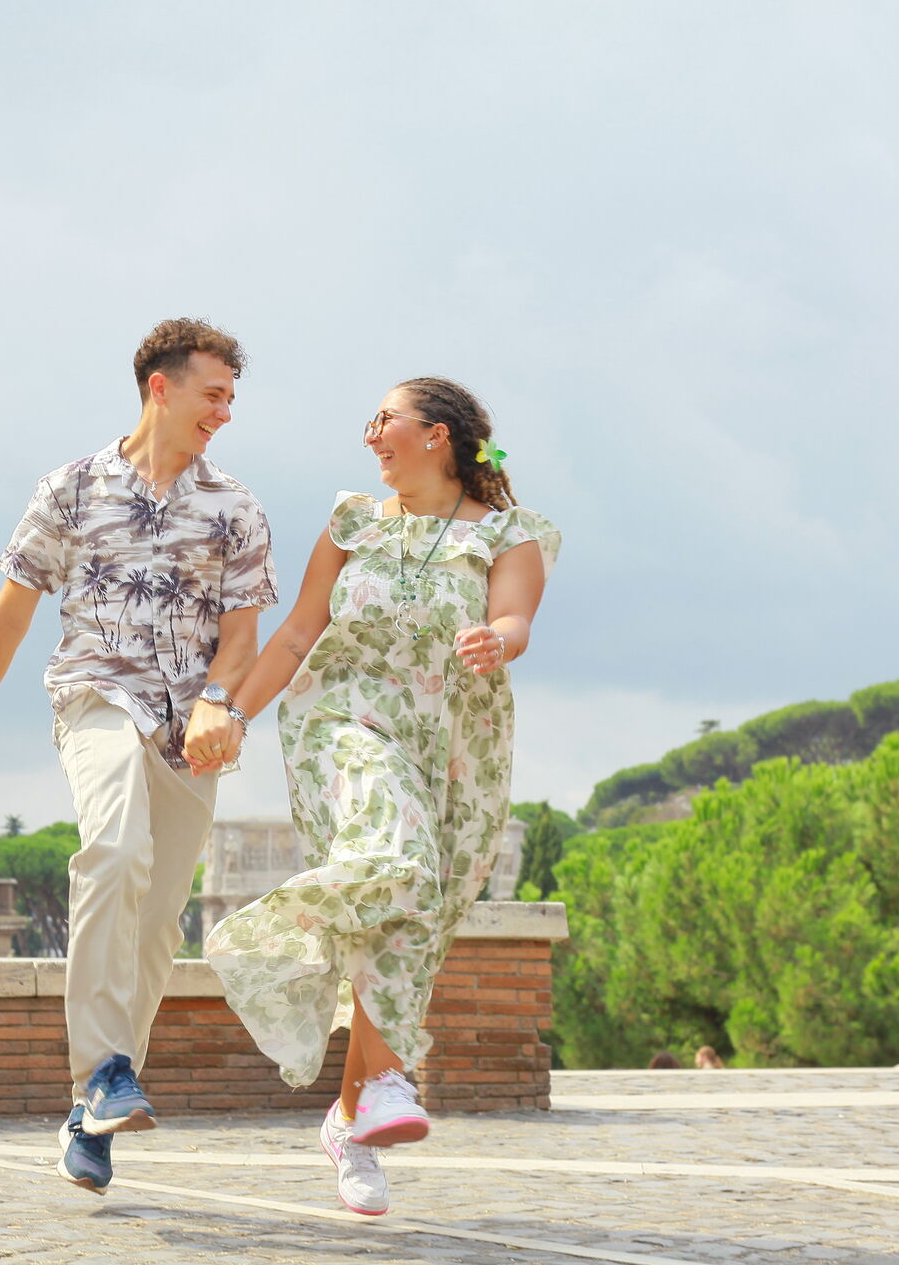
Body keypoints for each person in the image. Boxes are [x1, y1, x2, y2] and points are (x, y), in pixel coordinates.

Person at [0, 319, 276, 1194]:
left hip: (191, 730)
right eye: (214, 394)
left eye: (233, 398)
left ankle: (97, 1104)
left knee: (159, 924)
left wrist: (218, 703)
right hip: (95, 698)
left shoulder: (235, 507)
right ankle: (100, 1072)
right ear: (162, 386)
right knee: (114, 849)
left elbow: (242, 639)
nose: (225, 412)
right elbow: (8, 615)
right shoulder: (71, 488)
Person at [205, 376, 556, 1217]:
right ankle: (386, 1073)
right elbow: (298, 633)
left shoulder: (509, 535)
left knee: (410, 912)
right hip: (343, 719)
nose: (371, 435)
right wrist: (231, 713)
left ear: (436, 435)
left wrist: (493, 641)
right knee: (396, 861)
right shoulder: (353, 520)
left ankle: (355, 1115)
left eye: (384, 420)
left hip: (454, 744)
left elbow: (516, 620)